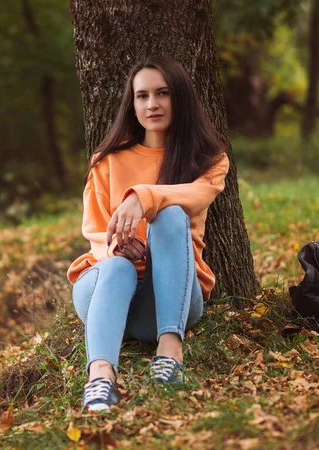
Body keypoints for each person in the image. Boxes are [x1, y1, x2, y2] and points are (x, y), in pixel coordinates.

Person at [67, 55, 230, 412]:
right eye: (142, 96)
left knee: (170, 213)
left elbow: (196, 196)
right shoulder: (107, 161)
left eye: (163, 93)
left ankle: (169, 352)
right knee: (115, 267)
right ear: (133, 105)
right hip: (108, 297)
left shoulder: (209, 161)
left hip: (169, 303)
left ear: (180, 98)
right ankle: (99, 379)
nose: (152, 104)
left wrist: (143, 198)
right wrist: (116, 251)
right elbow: (95, 232)